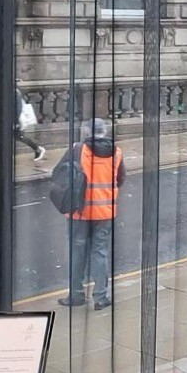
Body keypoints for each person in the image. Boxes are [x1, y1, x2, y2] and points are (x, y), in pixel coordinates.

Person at [56, 119, 125, 310]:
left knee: (77, 253)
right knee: (100, 252)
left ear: (87, 131)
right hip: (105, 212)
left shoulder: (77, 150)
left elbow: (61, 173)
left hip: (79, 211)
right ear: (104, 131)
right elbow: (120, 179)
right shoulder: (116, 152)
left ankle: (76, 295)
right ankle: (101, 297)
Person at [14, 88, 46, 163]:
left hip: (15, 120)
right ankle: (37, 149)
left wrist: (16, 121)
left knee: (19, 136)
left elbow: (18, 108)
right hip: (12, 119)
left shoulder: (15, 92)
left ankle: (38, 148)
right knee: (18, 136)